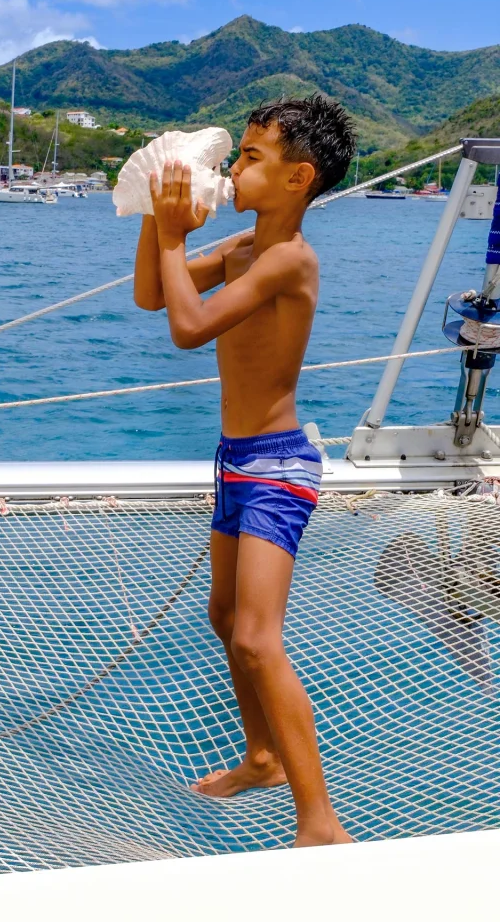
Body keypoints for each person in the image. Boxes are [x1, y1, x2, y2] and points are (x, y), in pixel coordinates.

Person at [133, 95, 356, 848]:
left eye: (250, 158)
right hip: (235, 461)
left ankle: (320, 823)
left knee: (258, 638)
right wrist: (155, 212)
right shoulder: (238, 248)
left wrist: (173, 236)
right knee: (225, 617)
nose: (233, 170)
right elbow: (150, 293)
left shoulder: (290, 259)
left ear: (299, 178)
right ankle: (262, 758)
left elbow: (189, 327)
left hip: (278, 466)